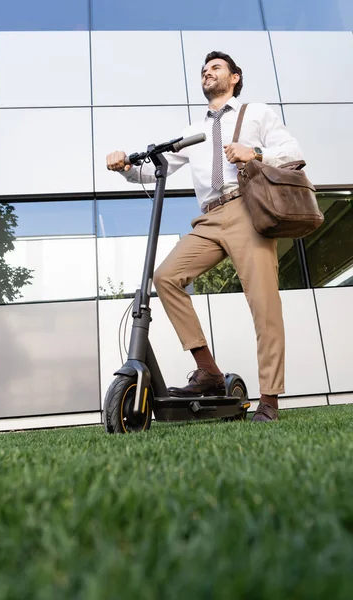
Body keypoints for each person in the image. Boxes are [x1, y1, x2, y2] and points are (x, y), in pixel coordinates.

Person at [106, 51, 304, 422]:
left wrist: (254, 152)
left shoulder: (256, 113)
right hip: (210, 219)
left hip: (248, 210)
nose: (207, 73)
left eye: (215, 68)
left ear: (234, 77)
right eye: (203, 71)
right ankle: (209, 370)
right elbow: (152, 173)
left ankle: (270, 401)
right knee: (165, 277)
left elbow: (293, 153)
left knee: (264, 306)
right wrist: (125, 168)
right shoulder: (191, 132)